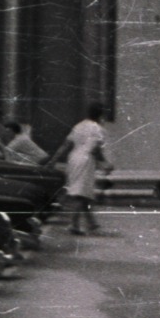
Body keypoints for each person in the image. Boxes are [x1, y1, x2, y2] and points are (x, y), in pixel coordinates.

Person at [47, 101, 110, 235]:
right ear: (100, 115)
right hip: (86, 160)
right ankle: (74, 224)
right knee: (81, 194)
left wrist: (54, 159)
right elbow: (95, 148)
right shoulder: (97, 128)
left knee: (83, 192)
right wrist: (105, 163)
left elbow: (66, 144)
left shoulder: (78, 125)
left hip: (73, 158)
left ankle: (91, 223)